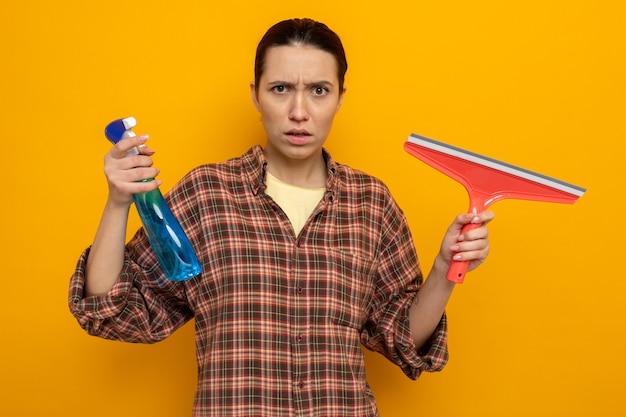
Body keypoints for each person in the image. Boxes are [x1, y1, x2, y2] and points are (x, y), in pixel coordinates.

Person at [69, 18, 493, 416]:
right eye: (280, 88)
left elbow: (401, 337)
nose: (299, 111)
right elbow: (114, 311)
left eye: (319, 90)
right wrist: (119, 203)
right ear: (256, 94)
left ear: (341, 97)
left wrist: (442, 269)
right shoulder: (207, 194)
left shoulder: (371, 203)